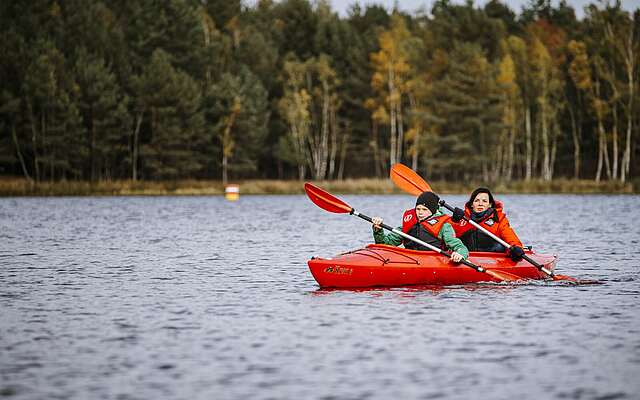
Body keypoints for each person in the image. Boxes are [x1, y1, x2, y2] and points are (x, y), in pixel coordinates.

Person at [371, 191, 468, 262]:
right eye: (418, 209)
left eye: (424, 210)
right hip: (409, 259)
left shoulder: (444, 227)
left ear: (433, 211)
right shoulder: (408, 224)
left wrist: (460, 254)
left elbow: (460, 247)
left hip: (433, 260)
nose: (420, 213)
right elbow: (384, 244)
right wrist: (378, 230)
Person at [450, 187, 525, 261]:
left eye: (484, 201)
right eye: (477, 201)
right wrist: (454, 221)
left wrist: (516, 248)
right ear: (472, 204)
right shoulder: (461, 218)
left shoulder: (499, 219)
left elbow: (510, 238)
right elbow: (447, 236)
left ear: (490, 204)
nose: (480, 204)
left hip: (493, 258)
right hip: (466, 256)